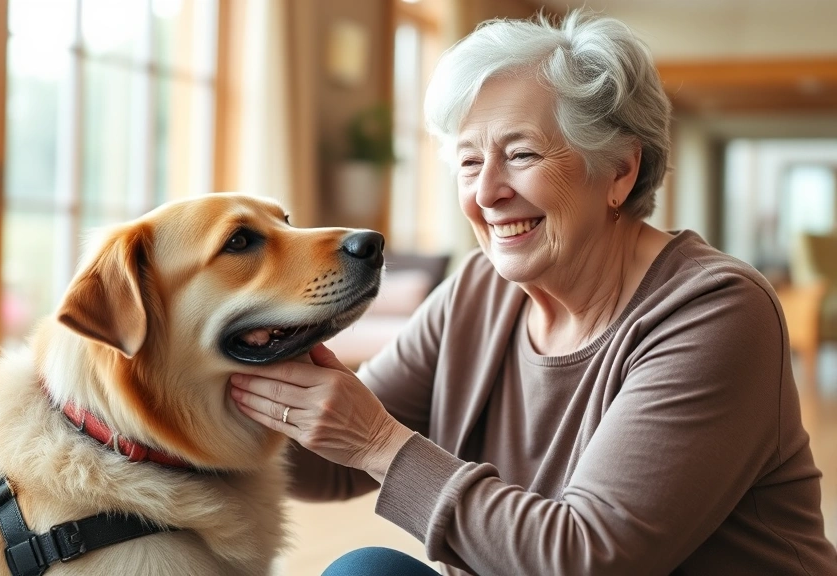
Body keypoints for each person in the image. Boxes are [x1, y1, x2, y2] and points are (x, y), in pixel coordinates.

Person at [230, 10, 837, 576]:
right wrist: (210, 386)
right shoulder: (476, 291)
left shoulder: (715, 310)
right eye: (469, 162)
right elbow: (328, 467)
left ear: (621, 170)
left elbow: (588, 558)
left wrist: (377, 443)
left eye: (520, 154)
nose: (487, 192)